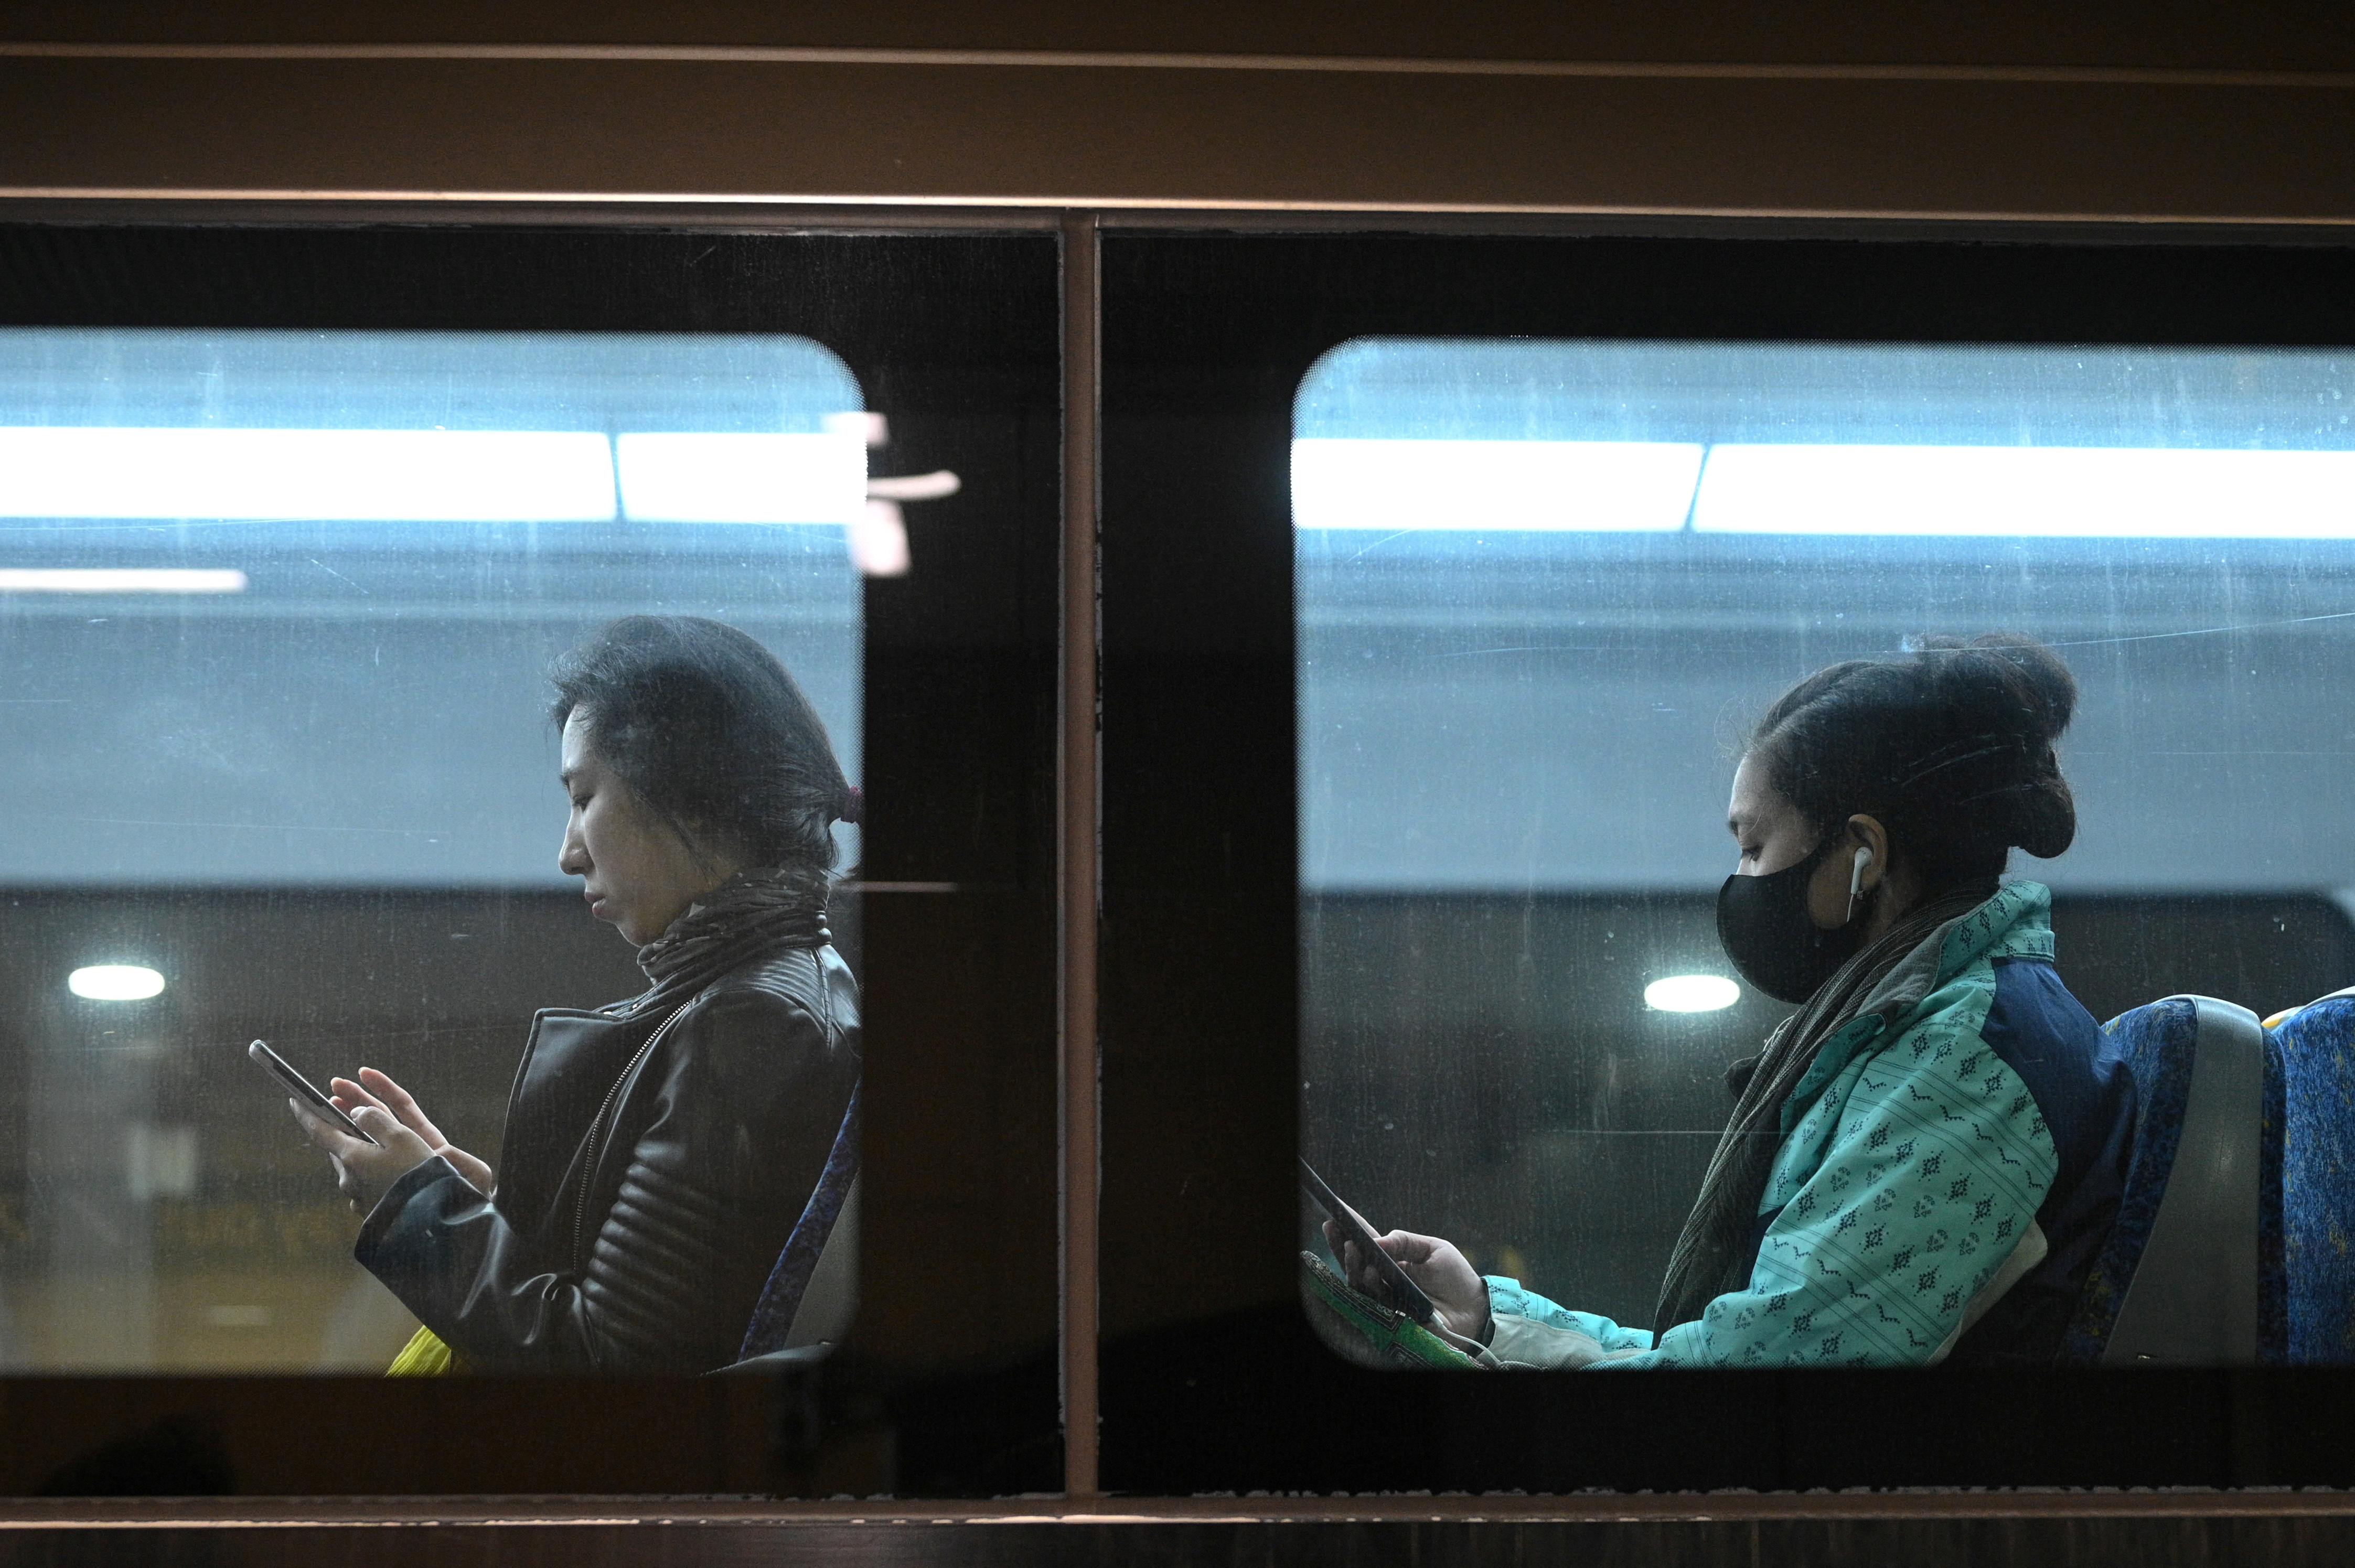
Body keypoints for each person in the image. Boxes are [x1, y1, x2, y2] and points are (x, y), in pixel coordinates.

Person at [1333, 633, 2134, 1368]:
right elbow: (1738, 1348)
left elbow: (1743, 1391)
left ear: (1861, 854)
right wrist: (1483, 1317)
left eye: (1753, 844)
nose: (1742, 879)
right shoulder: (1911, 1035)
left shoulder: (1967, 1062)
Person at [290, 616, 862, 1374]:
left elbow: (604, 1367)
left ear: (688, 794)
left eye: (584, 795)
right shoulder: (776, 996)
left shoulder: (750, 1021)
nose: (566, 853)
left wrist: (419, 1212)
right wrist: (475, 1200)